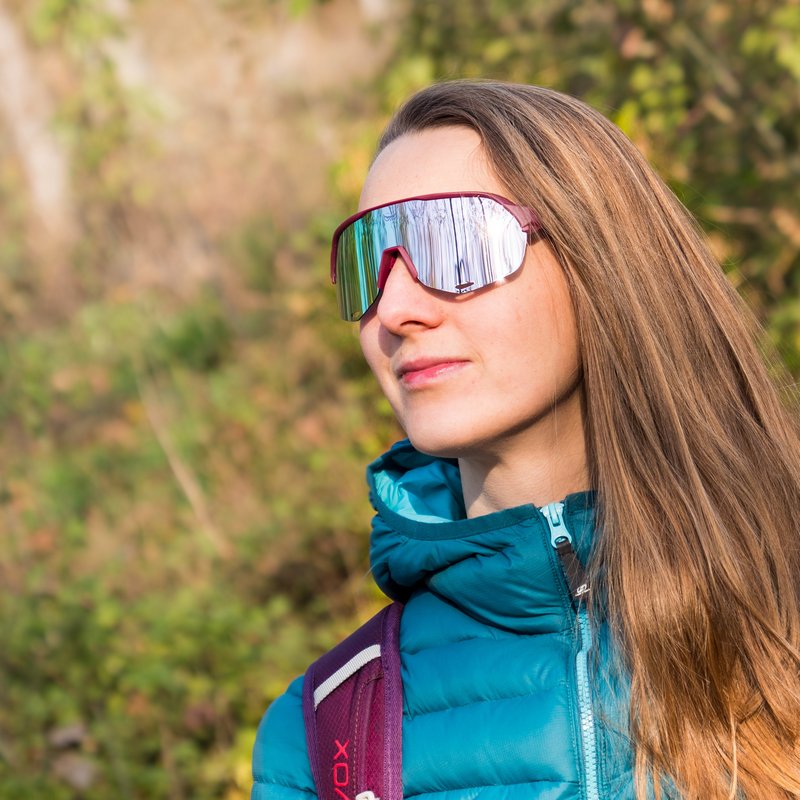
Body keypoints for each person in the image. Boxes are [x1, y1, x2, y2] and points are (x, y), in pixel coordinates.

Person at [251, 80, 800, 800]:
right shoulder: (326, 738)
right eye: (367, 261)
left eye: (454, 244)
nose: (396, 309)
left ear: (600, 261)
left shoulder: (783, 607)